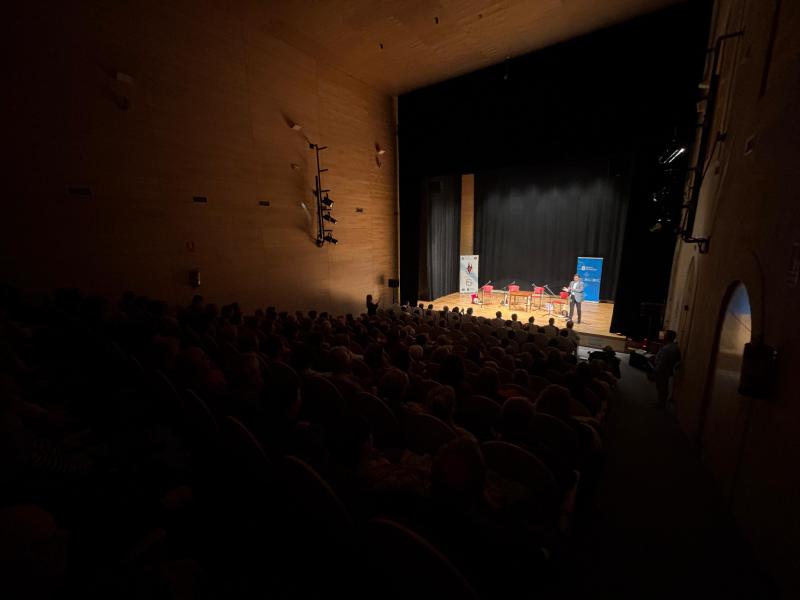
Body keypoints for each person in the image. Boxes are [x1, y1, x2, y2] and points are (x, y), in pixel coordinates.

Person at [650, 330, 680, 408]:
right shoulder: (675, 347)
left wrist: (654, 371)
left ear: (667, 337)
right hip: (668, 371)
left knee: (661, 388)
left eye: (665, 335)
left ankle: (661, 404)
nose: (663, 336)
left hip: (662, 371)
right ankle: (661, 403)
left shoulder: (667, 349)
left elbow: (662, 363)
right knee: (664, 388)